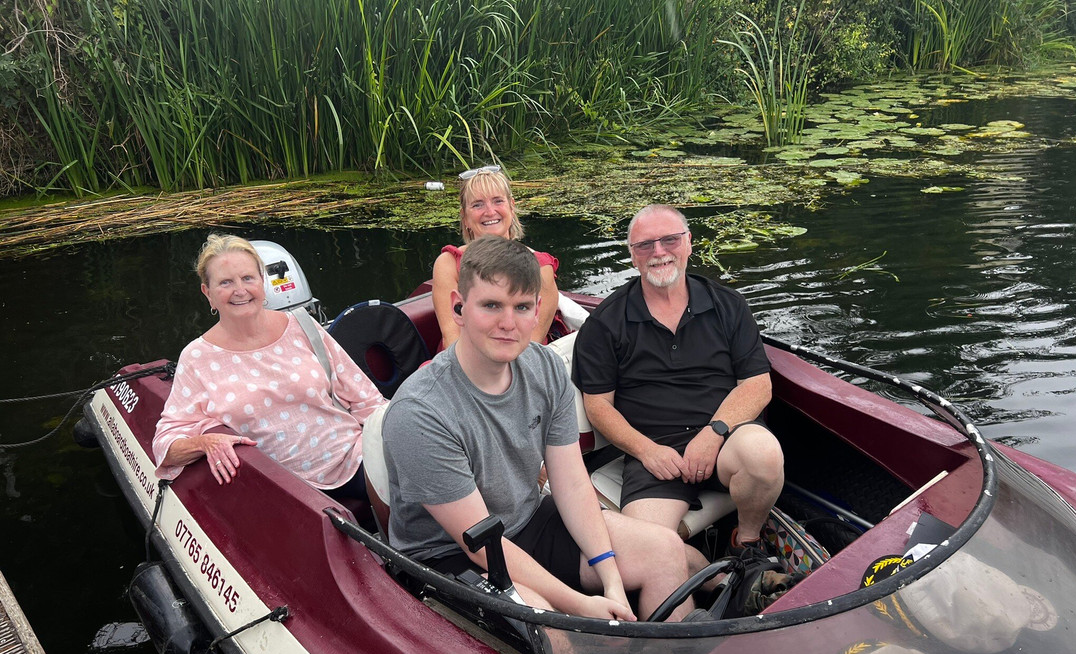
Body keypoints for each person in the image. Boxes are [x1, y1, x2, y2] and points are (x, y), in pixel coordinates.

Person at [383, 235, 695, 621]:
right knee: (549, 627)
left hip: (528, 520)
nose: (508, 323)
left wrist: (611, 578)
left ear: (538, 311)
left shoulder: (545, 368)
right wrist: (580, 604)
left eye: (522, 306)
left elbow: (571, 483)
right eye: (492, 305)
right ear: (458, 308)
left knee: (664, 550)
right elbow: (479, 543)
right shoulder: (420, 412)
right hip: (449, 554)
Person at [573, 204, 784, 549]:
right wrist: (647, 450)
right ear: (633, 257)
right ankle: (716, 579)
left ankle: (746, 544)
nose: (658, 252)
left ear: (688, 244)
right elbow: (598, 407)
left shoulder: (728, 305)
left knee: (764, 455)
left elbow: (758, 386)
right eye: (645, 245)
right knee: (643, 550)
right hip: (654, 455)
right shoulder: (604, 324)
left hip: (725, 439)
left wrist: (714, 433)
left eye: (670, 240)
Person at [152, 234, 386, 499]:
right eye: (225, 283)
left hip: (355, 456)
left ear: (262, 282)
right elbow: (165, 444)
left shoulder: (303, 326)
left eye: (248, 278)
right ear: (208, 293)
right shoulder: (197, 358)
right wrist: (205, 442)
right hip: (285, 489)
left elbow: (366, 399)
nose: (240, 290)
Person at [431, 165, 560, 350]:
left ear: (511, 207)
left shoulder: (541, 268)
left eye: (498, 201)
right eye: (477, 204)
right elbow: (452, 337)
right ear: (465, 217)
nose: (490, 211)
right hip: (461, 361)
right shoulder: (449, 264)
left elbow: (530, 345)